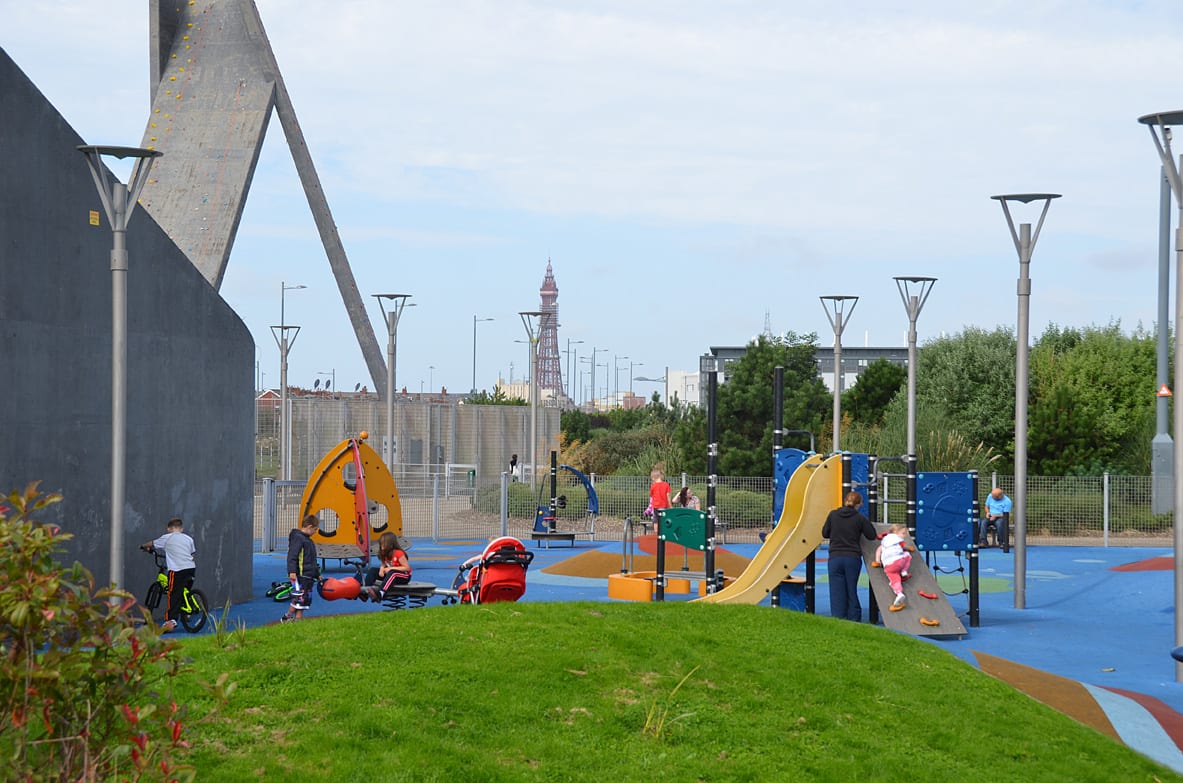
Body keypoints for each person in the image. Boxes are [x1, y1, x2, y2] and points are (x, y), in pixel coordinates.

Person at [821, 491, 878, 622]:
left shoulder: (833, 515)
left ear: (845, 501)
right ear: (859, 504)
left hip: (835, 556)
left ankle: (838, 617)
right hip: (852, 557)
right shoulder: (859, 518)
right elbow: (871, 535)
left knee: (836, 590)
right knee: (851, 588)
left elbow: (825, 533)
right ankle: (854, 617)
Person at [140, 517, 196, 633]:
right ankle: (187, 612)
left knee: (172, 593)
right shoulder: (188, 538)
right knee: (184, 590)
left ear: (168, 529)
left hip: (177, 570)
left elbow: (152, 544)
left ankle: (170, 621)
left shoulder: (167, 537)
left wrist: (144, 546)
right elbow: (191, 552)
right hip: (191, 568)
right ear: (181, 529)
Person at [281, 515, 319, 623]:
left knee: (305, 598)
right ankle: (287, 616)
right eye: (315, 529)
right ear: (310, 526)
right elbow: (292, 555)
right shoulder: (298, 539)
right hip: (300, 575)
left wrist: (316, 573)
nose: (315, 532)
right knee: (300, 597)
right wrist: (292, 571)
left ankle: (298, 618)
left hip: (308, 575)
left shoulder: (309, 541)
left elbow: (312, 560)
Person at [359, 532, 412, 602]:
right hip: (390, 574)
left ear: (391, 544)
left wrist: (390, 568)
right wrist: (382, 569)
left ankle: (381, 593)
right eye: (381, 543)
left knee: (393, 573)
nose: (382, 545)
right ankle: (365, 591)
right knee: (373, 570)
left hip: (404, 576)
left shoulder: (398, 553)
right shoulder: (385, 553)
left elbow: (406, 568)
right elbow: (384, 563)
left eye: (384, 543)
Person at [872, 524, 915, 610]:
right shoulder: (898, 541)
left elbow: (878, 551)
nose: (905, 535)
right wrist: (909, 548)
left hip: (889, 565)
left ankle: (899, 593)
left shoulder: (884, 543)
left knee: (894, 580)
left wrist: (877, 561)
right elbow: (905, 548)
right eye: (903, 533)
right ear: (895, 532)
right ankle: (904, 571)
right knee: (907, 555)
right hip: (900, 561)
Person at [980, 487, 1013, 552]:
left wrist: (995, 516)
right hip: (990, 516)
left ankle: (1001, 542)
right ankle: (984, 542)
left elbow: (1006, 514)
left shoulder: (1007, 501)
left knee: (999, 523)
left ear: (1000, 496)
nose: (992, 498)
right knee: (983, 523)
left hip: (1000, 517)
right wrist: (987, 513)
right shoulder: (990, 496)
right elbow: (986, 506)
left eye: (994, 497)